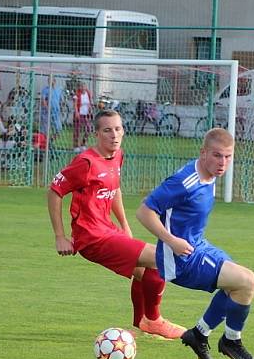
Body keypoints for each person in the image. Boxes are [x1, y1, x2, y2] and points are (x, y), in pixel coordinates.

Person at [47, 109, 184, 339]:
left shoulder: (117, 155)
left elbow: (114, 189)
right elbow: (55, 191)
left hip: (108, 230)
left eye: (118, 129)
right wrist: (60, 236)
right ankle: (154, 320)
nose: (114, 135)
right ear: (97, 133)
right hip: (92, 237)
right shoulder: (85, 162)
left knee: (143, 273)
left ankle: (141, 324)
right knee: (160, 259)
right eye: (107, 130)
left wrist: (124, 225)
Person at [136, 128, 254, 359]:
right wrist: (171, 240)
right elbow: (144, 211)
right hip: (181, 259)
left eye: (228, 157)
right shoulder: (184, 181)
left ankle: (199, 334)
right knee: (246, 282)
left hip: (199, 246)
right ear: (203, 153)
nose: (222, 163)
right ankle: (231, 341)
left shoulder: (210, 174)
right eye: (217, 156)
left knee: (236, 286)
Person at [73, 82, 94, 153]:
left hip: (86, 115)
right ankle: (75, 146)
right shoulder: (77, 94)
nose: (83, 88)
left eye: (84, 87)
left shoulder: (88, 93)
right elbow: (75, 104)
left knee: (88, 129)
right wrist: (76, 112)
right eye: (81, 87)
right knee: (77, 130)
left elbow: (89, 103)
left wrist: (90, 110)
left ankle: (83, 143)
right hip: (79, 114)